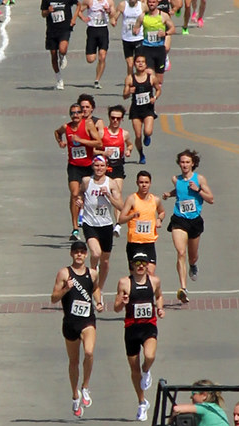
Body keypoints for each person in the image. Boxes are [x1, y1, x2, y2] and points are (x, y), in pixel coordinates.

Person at [51, 241, 100, 419]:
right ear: (72, 254)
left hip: (87, 320)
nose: (79, 255)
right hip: (70, 322)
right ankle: (75, 395)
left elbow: (95, 289)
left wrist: (99, 301)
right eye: (76, 252)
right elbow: (53, 298)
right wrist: (66, 288)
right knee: (73, 362)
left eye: (82, 252)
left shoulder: (92, 273)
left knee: (89, 352)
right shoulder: (64, 273)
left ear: (86, 255)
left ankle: (85, 387)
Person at [113, 252, 165, 422]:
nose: (141, 266)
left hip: (149, 326)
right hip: (131, 328)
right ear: (132, 265)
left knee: (150, 356)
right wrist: (123, 302)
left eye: (143, 262)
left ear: (148, 264)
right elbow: (116, 308)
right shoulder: (125, 282)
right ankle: (142, 402)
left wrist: (160, 308)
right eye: (137, 263)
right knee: (134, 369)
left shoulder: (154, 281)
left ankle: (146, 370)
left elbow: (159, 296)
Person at [162, 149, 214, 304]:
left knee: (192, 255)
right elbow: (180, 190)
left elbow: (211, 199)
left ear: (193, 164)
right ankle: (183, 288)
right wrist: (169, 194)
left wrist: (198, 190)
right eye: (182, 162)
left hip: (195, 221)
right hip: (179, 219)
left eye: (187, 162)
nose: (184, 165)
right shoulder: (175, 179)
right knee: (181, 252)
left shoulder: (199, 179)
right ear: (179, 164)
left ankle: (193, 265)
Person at [78, 155, 123, 305]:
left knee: (105, 261)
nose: (99, 168)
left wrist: (108, 195)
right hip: (89, 223)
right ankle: (92, 271)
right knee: (95, 253)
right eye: (96, 165)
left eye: (102, 166)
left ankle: (99, 289)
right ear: (92, 166)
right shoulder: (87, 181)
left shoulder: (111, 183)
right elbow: (80, 193)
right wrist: (79, 200)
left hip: (105, 225)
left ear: (106, 167)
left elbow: (121, 206)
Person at [55, 103, 98, 241]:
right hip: (74, 166)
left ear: (82, 114)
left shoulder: (88, 125)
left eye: (78, 112)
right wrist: (60, 142)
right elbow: (57, 132)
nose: (76, 115)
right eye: (73, 113)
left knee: (87, 195)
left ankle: (90, 222)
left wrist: (81, 140)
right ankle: (75, 229)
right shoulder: (66, 127)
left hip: (88, 166)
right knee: (74, 194)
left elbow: (99, 143)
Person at [40, 0, 79, 91]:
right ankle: (59, 79)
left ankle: (63, 56)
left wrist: (74, 19)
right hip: (52, 29)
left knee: (62, 49)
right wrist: (48, 11)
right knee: (53, 55)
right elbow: (43, 14)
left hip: (65, 27)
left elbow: (78, 5)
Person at [120, 170, 165, 267]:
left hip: (149, 242)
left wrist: (159, 219)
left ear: (150, 183)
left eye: (146, 182)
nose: (144, 185)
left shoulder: (155, 200)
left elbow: (162, 212)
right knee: (135, 273)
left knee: (150, 272)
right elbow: (121, 219)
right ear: (137, 183)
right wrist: (132, 216)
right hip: (134, 242)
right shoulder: (132, 199)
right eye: (141, 182)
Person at [77, 0, 116, 89]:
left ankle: (97, 80)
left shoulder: (109, 1)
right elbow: (78, 10)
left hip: (103, 29)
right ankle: (91, 56)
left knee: (102, 56)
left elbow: (113, 15)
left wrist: (108, 11)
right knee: (90, 59)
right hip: (92, 30)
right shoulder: (89, 0)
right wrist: (83, 18)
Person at [124, 53, 161, 164]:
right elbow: (124, 96)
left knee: (148, 131)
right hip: (136, 109)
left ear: (146, 64)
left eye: (142, 62)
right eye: (138, 62)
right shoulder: (130, 78)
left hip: (148, 108)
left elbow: (158, 90)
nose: (140, 64)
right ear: (134, 64)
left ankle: (147, 136)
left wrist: (155, 97)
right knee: (138, 135)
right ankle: (141, 154)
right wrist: (129, 92)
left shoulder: (151, 78)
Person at [118, 0, 145, 73]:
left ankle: (139, 79)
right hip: (126, 38)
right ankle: (130, 79)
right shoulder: (123, 5)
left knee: (138, 63)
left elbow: (151, 16)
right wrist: (113, 19)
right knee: (130, 64)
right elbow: (114, 17)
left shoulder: (142, 6)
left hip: (139, 38)